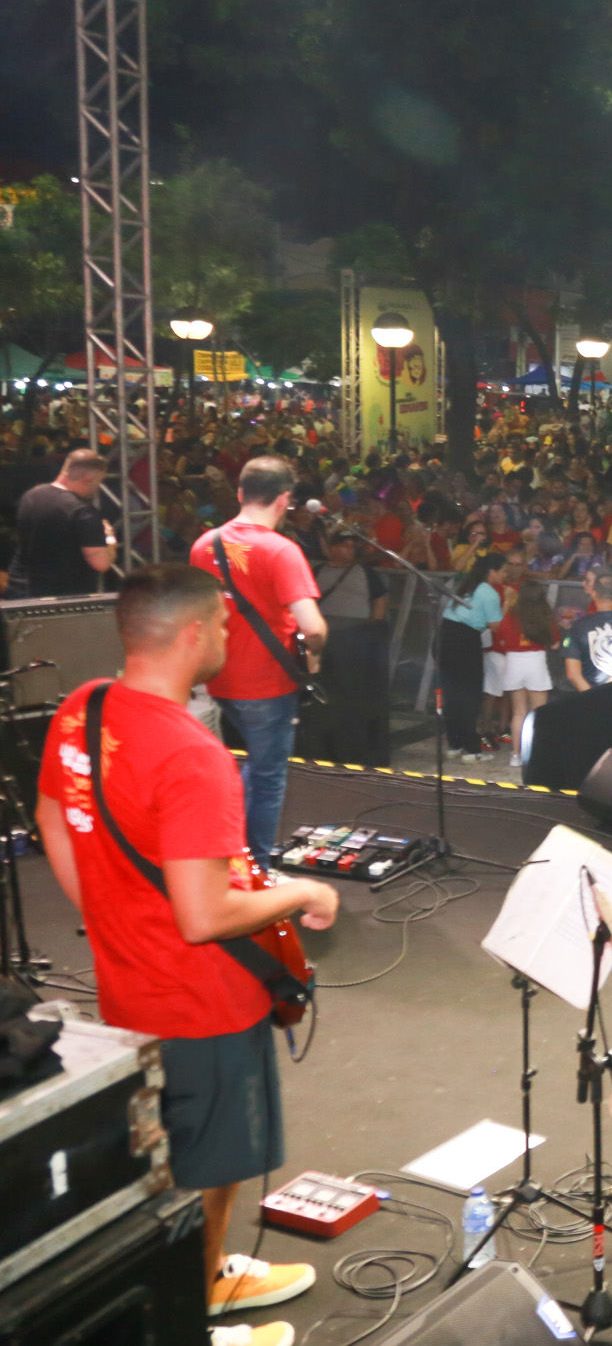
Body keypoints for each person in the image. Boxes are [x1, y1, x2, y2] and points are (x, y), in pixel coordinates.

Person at [36, 565, 339, 1346]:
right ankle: (190, 1315)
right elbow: (206, 915)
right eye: (229, 625)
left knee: (167, 1147)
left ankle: (204, 1275)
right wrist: (300, 893)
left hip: (128, 982)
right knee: (210, 1161)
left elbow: (50, 809)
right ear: (197, 632)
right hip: (202, 999)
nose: (234, 636)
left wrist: (103, 910)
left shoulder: (82, 707)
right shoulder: (192, 752)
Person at [189, 457, 328, 865]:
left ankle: (235, 853)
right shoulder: (281, 551)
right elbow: (314, 627)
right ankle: (257, 868)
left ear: (240, 494)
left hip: (217, 678)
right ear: (284, 499)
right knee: (268, 778)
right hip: (266, 684)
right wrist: (314, 655)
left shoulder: (204, 544)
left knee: (247, 765)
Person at [8, 447, 115, 596]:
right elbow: (101, 563)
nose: (97, 488)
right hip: (62, 597)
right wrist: (110, 539)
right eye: (99, 481)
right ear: (88, 479)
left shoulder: (30, 495)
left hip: (20, 589)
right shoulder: (83, 512)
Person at [440, 554, 504, 760]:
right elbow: (496, 625)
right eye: (502, 571)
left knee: (453, 694)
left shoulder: (465, 585)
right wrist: (509, 602)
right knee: (469, 695)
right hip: (465, 641)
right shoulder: (489, 593)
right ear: (491, 572)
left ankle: (455, 743)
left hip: (445, 637)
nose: (504, 575)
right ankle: (472, 749)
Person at [493, 580, 560, 766]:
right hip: (536, 663)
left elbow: (501, 639)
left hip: (514, 664)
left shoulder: (511, 617)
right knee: (538, 713)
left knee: (519, 713)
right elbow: (555, 644)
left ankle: (516, 755)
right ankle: (536, 755)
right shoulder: (545, 616)